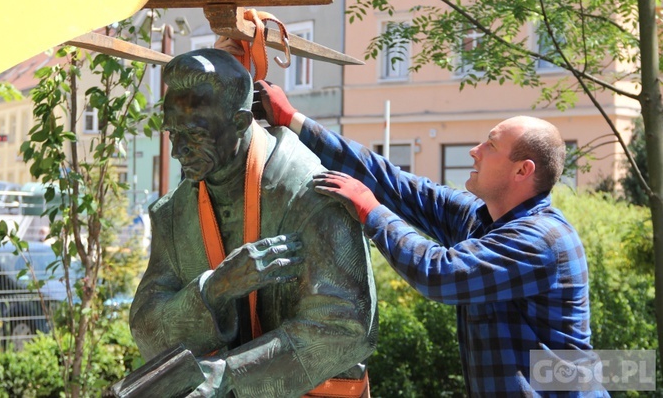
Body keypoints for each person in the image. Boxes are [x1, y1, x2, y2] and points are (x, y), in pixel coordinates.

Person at [251, 78, 604, 396]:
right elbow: (394, 184)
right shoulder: (481, 218)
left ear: (522, 171)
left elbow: (440, 273)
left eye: (491, 146)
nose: (475, 150)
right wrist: (293, 119)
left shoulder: (541, 241)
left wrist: (371, 211)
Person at [129, 49, 377, 397]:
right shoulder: (173, 213)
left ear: (240, 122)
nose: (177, 151)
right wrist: (214, 290)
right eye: (173, 133)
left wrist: (228, 376)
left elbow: (344, 329)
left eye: (195, 135)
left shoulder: (310, 195)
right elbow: (145, 328)